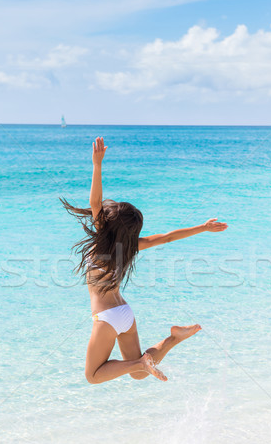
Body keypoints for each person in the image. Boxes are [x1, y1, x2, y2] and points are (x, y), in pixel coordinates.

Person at [60, 137, 228, 384]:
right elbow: (168, 237)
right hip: (124, 313)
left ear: (109, 223)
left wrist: (97, 164)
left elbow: (95, 202)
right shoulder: (133, 246)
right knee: (138, 374)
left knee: (93, 376)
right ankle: (174, 338)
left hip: (106, 317)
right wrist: (202, 227)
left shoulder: (101, 240)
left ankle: (142, 360)